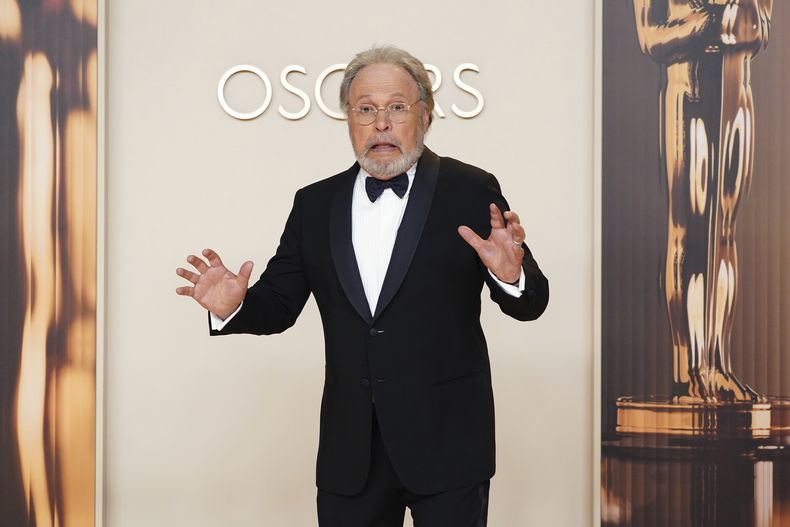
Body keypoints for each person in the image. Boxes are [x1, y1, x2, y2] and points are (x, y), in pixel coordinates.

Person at [176, 46, 548, 526]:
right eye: (365, 109)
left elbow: (532, 304)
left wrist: (510, 276)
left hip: (449, 443)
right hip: (350, 452)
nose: (381, 123)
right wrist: (234, 306)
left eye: (397, 107)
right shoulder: (314, 204)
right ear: (348, 120)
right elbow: (278, 305)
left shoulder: (471, 189)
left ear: (426, 116)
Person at [633, 0, 771, 401]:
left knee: (725, 231)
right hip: (687, 91)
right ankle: (694, 367)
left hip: (739, 94)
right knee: (691, 231)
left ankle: (718, 363)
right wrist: (713, 22)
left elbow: (761, 29)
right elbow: (651, 37)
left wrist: (745, 23)